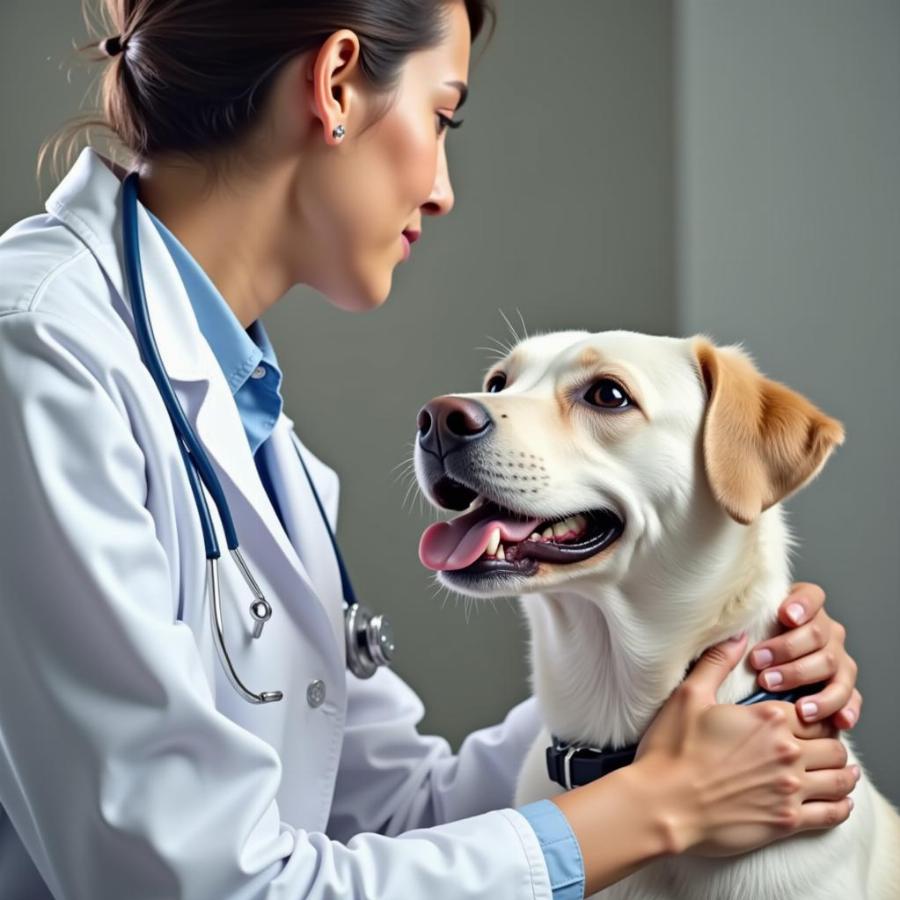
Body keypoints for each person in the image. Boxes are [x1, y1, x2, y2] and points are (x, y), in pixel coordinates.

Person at [0, 2, 862, 898]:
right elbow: (209, 885)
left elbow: (395, 815)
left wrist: (699, 694)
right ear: (336, 84)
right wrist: (662, 801)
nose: (445, 188)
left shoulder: (239, 409)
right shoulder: (40, 358)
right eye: (443, 116)